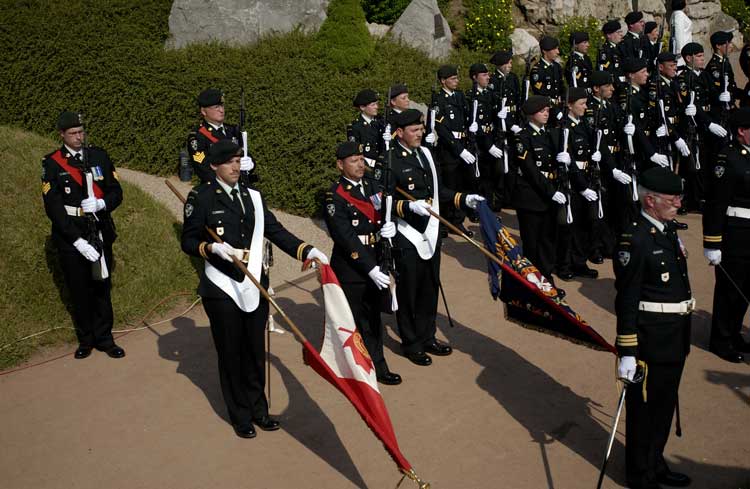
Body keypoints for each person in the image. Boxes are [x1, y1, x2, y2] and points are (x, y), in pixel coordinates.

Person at [181, 140, 328, 438]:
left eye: (238, 160)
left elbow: (275, 231)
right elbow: (188, 240)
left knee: (254, 351)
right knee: (231, 352)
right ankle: (241, 415)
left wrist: (306, 250)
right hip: (222, 286)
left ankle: (259, 409)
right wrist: (209, 247)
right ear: (214, 166)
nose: (235, 166)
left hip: (254, 282)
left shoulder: (253, 197)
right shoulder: (202, 197)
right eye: (229, 162)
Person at [614, 166, 693, 489]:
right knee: (644, 413)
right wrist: (627, 352)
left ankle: (655, 462)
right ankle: (640, 475)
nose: (678, 202)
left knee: (663, 408)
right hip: (650, 339)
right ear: (650, 201)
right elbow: (627, 301)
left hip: (674, 335)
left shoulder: (666, 230)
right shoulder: (635, 240)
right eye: (671, 198)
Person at [386, 109, 484, 365]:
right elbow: (383, 201)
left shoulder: (426, 154)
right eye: (414, 130)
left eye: (421, 129)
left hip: (430, 229)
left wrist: (463, 198)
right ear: (399, 133)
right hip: (406, 233)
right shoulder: (390, 160)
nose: (420, 134)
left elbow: (438, 190)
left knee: (429, 286)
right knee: (409, 290)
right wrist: (407, 207)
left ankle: (427, 336)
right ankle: (411, 343)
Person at [41, 111, 125, 360]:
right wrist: (76, 241)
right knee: (79, 288)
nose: (79, 137)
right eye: (73, 133)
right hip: (71, 235)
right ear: (62, 135)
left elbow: (116, 191)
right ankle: (86, 339)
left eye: (81, 132)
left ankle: (105, 338)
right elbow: (53, 207)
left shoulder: (99, 155)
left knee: (101, 286)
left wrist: (101, 204)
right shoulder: (53, 163)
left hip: (98, 228)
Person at [323, 141, 401, 384]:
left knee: (373, 318)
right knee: (353, 322)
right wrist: (370, 268)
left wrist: (391, 226)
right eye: (353, 160)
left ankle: (378, 365)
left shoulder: (372, 185)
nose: (360, 164)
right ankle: (356, 371)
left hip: (377, 257)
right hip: (352, 267)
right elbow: (344, 237)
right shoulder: (334, 196)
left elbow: (384, 212)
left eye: (361, 158)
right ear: (340, 165)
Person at [702, 107, 750, 363]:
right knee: (730, 289)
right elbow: (716, 203)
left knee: (747, 289)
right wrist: (712, 242)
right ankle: (721, 340)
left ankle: (734, 332)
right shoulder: (728, 158)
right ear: (742, 131)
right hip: (735, 234)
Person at [511, 95, 568, 294]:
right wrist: (552, 192)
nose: (547, 113)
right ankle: (532, 282)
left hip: (548, 196)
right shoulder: (522, 137)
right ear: (531, 114)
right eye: (542, 111)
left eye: (547, 110)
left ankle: (546, 279)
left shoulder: (549, 134)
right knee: (533, 244)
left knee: (547, 241)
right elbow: (531, 171)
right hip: (531, 198)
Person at [557, 87, 601, 280]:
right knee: (568, 227)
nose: (585, 107)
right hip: (572, 184)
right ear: (569, 105)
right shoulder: (564, 127)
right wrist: (582, 187)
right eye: (581, 103)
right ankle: (564, 265)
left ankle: (580, 262)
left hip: (587, 178)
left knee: (584, 225)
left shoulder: (584, 124)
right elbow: (569, 161)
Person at [432, 65, 475, 236]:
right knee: (449, 186)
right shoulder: (438, 100)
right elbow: (442, 130)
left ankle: (457, 221)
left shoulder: (459, 96)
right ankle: (445, 222)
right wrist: (459, 150)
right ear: (443, 81)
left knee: (463, 184)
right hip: (449, 150)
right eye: (453, 79)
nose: (456, 81)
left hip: (463, 144)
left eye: (457, 78)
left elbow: (466, 116)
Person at [187, 88, 256, 185]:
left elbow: (246, 154)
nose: (222, 110)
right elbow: (203, 170)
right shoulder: (198, 136)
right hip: (217, 191)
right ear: (203, 111)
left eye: (222, 106)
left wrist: (251, 164)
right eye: (216, 107)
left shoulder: (233, 130)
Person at [468, 63, 506, 210]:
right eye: (484, 75)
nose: (488, 77)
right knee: (482, 179)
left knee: (493, 176)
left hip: (492, 140)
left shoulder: (490, 94)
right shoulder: (471, 96)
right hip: (479, 144)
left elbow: (494, 120)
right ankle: (481, 209)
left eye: (488, 74)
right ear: (474, 78)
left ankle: (491, 206)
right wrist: (488, 145)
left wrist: (500, 115)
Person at [530, 36, 564, 120]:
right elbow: (540, 92)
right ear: (545, 51)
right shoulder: (537, 70)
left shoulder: (557, 67)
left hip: (559, 106)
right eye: (554, 49)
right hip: (545, 109)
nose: (558, 52)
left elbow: (561, 87)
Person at [348, 89, 385, 167]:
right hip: (368, 167)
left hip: (385, 165)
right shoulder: (356, 127)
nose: (377, 107)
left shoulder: (382, 121)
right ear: (362, 107)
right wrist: (372, 164)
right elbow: (355, 152)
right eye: (373, 105)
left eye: (377, 104)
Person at [599, 20, 626, 93]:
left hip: (623, 84)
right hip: (614, 87)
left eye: (621, 32)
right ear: (609, 35)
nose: (621, 35)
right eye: (618, 32)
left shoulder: (619, 48)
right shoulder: (605, 51)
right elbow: (607, 71)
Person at [670, 0, 692, 65]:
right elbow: (678, 33)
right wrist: (680, 51)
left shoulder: (675, 13)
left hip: (681, 49)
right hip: (682, 51)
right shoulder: (679, 15)